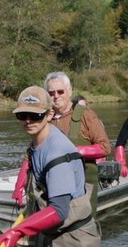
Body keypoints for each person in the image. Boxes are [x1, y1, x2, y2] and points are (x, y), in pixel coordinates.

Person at [0, 86, 101, 247]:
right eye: (22, 116)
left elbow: (59, 210)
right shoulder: (35, 146)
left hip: (73, 238)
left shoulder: (57, 151)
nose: (28, 121)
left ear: (49, 115)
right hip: (47, 236)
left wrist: (18, 231)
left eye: (35, 115)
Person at [11, 72, 110, 218]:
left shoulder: (86, 114)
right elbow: (30, 155)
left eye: (60, 91)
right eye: (51, 93)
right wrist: (19, 185)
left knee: (81, 226)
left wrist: (73, 151)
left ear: (69, 91)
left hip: (82, 186)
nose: (56, 96)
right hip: (52, 186)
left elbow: (105, 147)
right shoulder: (42, 117)